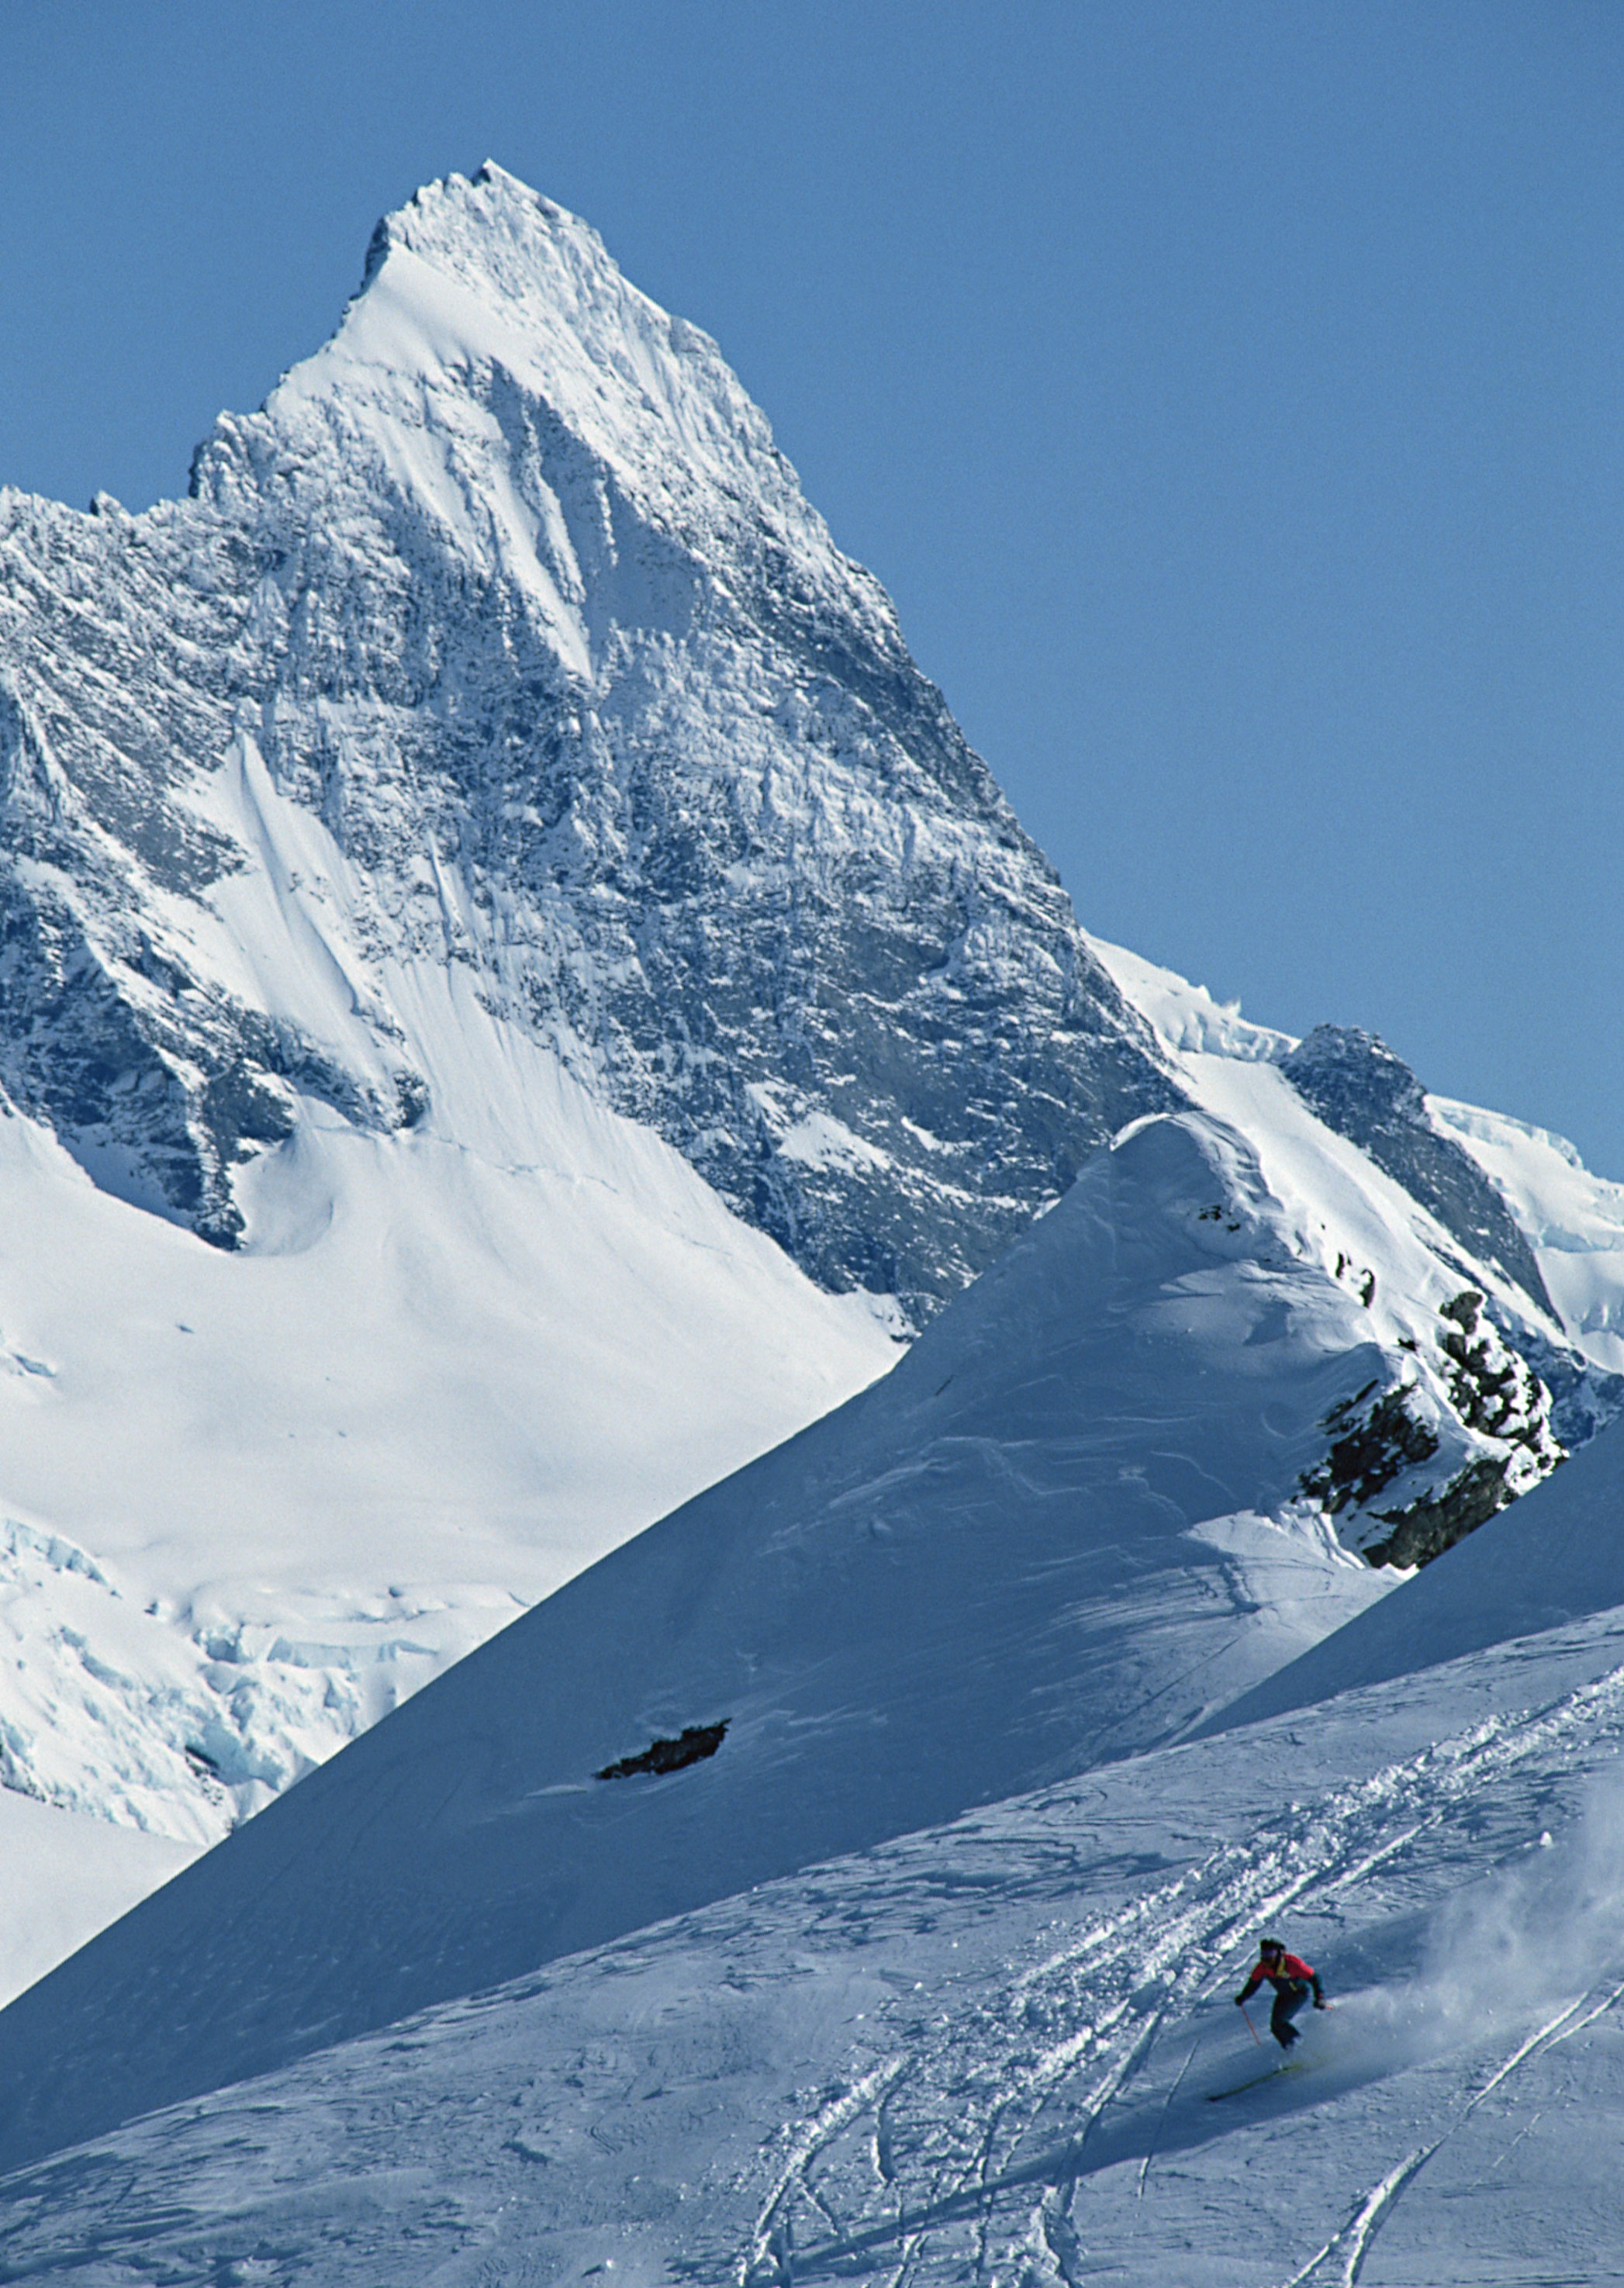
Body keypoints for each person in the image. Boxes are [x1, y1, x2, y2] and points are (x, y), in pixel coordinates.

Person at [1235, 1936, 1326, 2049]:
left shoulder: (1292, 1964)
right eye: (1263, 1954)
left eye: (1270, 1954)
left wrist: (1320, 1997)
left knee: (1280, 2021)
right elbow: (1253, 1984)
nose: (1266, 1959)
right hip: (1284, 1995)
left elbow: (1315, 1977)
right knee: (1275, 2027)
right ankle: (1292, 2052)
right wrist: (1243, 1997)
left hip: (1299, 1993)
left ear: (1278, 1953)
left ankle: (1304, 2048)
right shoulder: (1262, 1967)